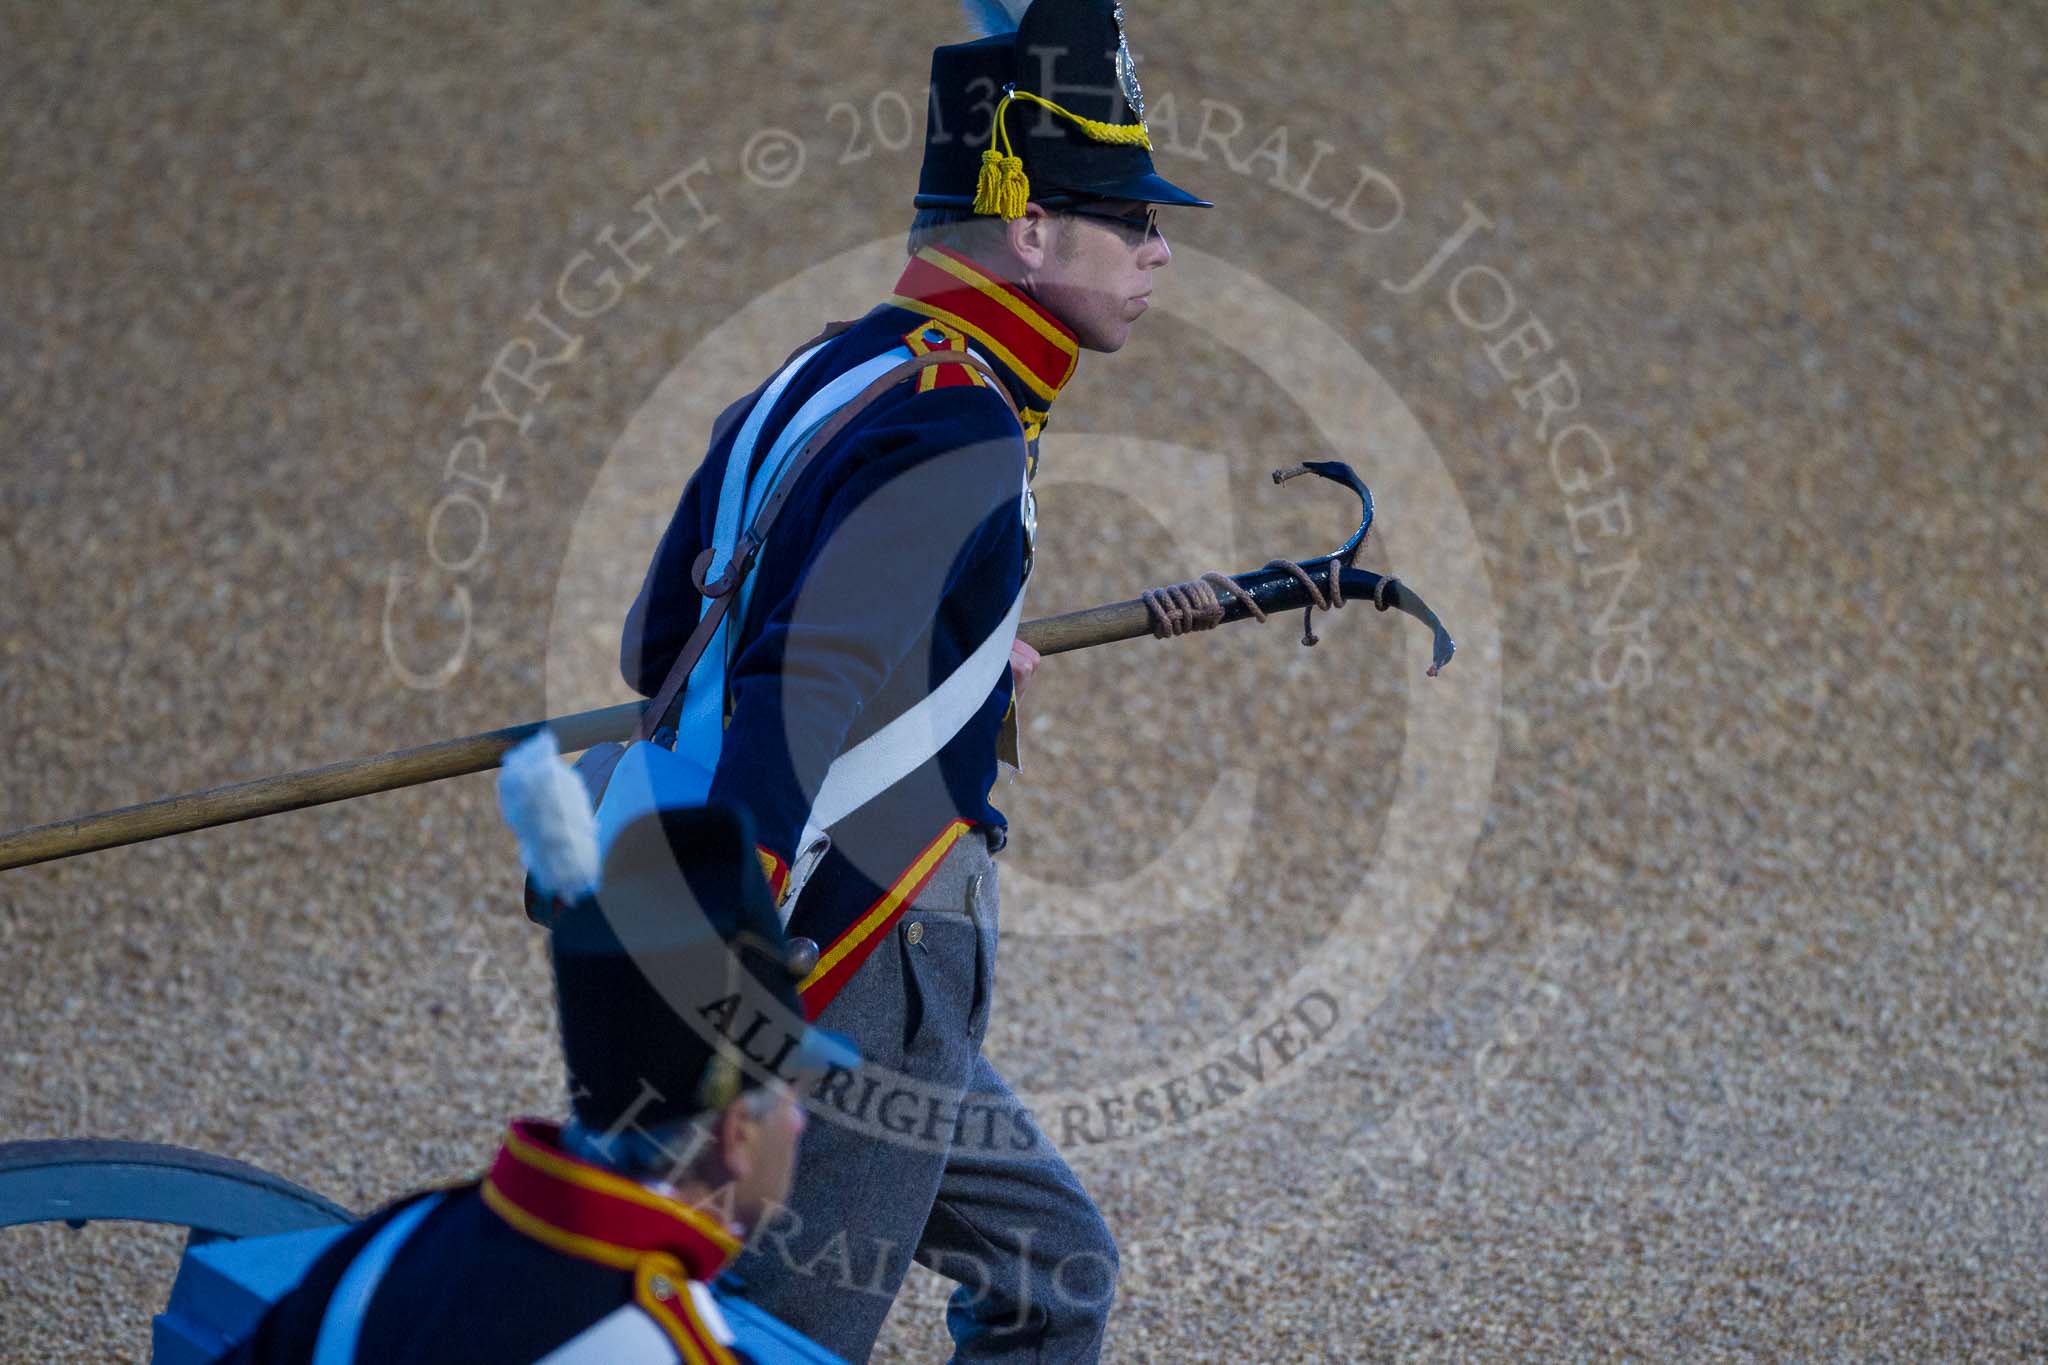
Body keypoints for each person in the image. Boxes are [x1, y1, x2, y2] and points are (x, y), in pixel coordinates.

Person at [618, 2, 1208, 1358]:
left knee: (1052, 1265)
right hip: (856, 944)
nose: (1161, 248)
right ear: (1032, 232)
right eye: (1129, 218)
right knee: (785, 1335)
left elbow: (665, 646)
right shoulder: (962, 415)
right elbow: (801, 681)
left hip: (775, 914)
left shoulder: (825, 371)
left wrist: (951, 641)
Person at [217, 739, 860, 1364]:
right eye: (791, 1096)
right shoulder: (661, 1344)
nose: (800, 1122)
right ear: (739, 1136)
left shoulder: (398, 1241)